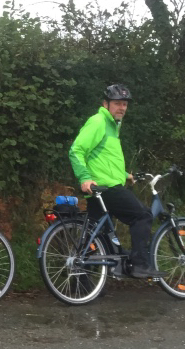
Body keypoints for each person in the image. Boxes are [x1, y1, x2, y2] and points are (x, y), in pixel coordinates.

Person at [69, 84, 165, 279]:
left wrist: (125, 175)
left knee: (98, 235)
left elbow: (103, 157)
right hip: (106, 188)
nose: (122, 107)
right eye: (117, 103)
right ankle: (139, 264)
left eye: (124, 104)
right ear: (105, 104)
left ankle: (85, 284)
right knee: (142, 216)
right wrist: (84, 177)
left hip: (104, 185)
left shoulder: (113, 125)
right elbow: (76, 150)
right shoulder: (98, 121)